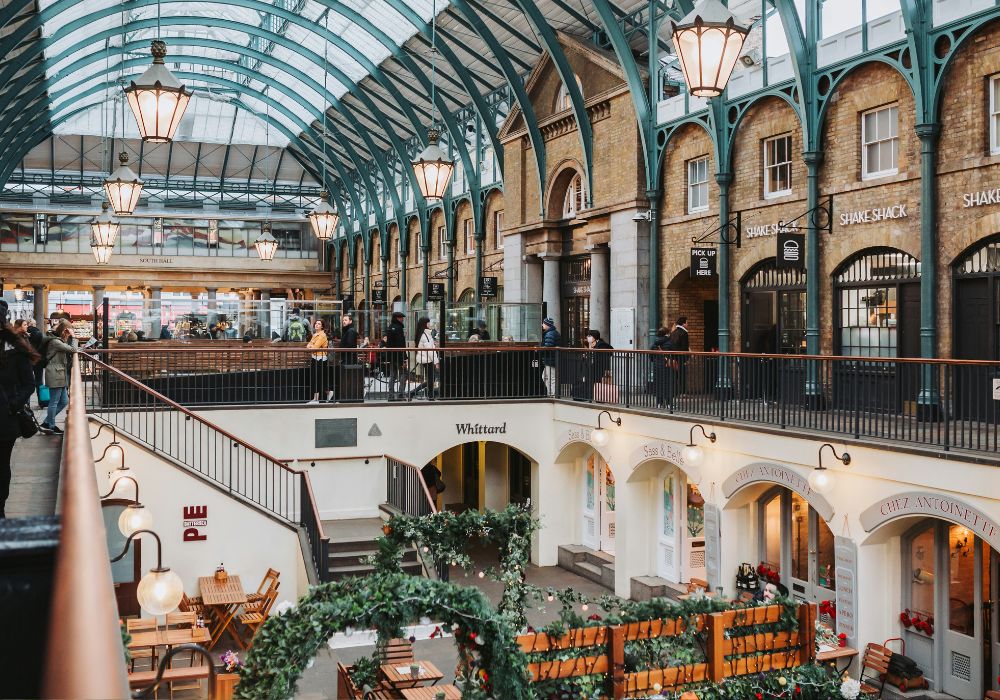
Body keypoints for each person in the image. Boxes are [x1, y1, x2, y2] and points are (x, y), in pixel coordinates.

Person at [0, 301, 41, 518]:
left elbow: (29, 384)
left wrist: (12, 405)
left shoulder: (15, 349)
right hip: (6, 416)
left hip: (4, 419)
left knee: (2, 465)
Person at [40, 320, 77, 434]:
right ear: (64, 330)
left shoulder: (58, 340)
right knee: (54, 402)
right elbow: (73, 349)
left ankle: (47, 422)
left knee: (64, 401)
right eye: (67, 331)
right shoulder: (55, 342)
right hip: (55, 373)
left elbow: (70, 348)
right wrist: (74, 337)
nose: (68, 334)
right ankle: (50, 426)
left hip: (59, 373)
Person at [410, 317, 439, 400]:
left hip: (425, 359)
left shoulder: (423, 334)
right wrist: (436, 362)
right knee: (431, 378)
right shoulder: (425, 335)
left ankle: (417, 393)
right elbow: (430, 350)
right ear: (425, 324)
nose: (430, 324)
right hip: (427, 359)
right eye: (428, 322)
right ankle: (427, 395)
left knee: (431, 378)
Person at [306, 319, 331, 404]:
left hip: (320, 359)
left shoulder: (322, 335)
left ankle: (317, 399)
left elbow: (314, 347)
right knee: (316, 378)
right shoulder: (315, 335)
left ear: (322, 326)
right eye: (316, 323)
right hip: (315, 358)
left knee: (317, 378)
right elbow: (308, 345)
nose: (316, 325)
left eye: (319, 324)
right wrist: (311, 346)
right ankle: (326, 394)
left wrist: (312, 346)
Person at [385, 312, 407, 400]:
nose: (402, 319)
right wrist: (404, 358)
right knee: (403, 373)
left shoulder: (390, 327)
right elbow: (401, 344)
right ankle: (401, 394)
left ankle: (391, 395)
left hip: (391, 356)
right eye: (401, 318)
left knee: (392, 375)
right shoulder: (399, 328)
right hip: (399, 355)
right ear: (397, 318)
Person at [651, 326, 673, 408]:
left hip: (657, 365)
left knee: (658, 384)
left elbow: (651, 356)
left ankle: (659, 403)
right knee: (668, 384)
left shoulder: (655, 343)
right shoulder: (669, 342)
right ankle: (668, 403)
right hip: (667, 365)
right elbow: (673, 354)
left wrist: (655, 361)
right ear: (667, 333)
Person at [668, 316, 690, 398]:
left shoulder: (673, 333)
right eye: (687, 323)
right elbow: (684, 347)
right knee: (682, 376)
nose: (688, 324)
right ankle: (682, 393)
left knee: (675, 375)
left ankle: (674, 392)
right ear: (683, 324)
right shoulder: (684, 333)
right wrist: (686, 359)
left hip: (673, 358)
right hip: (681, 358)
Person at [540, 317, 560, 397]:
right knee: (545, 377)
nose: (542, 325)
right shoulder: (552, 332)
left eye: (543, 323)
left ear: (547, 325)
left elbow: (548, 346)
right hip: (550, 359)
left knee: (551, 378)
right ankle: (551, 394)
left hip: (550, 359)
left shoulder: (550, 333)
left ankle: (553, 395)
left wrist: (539, 349)